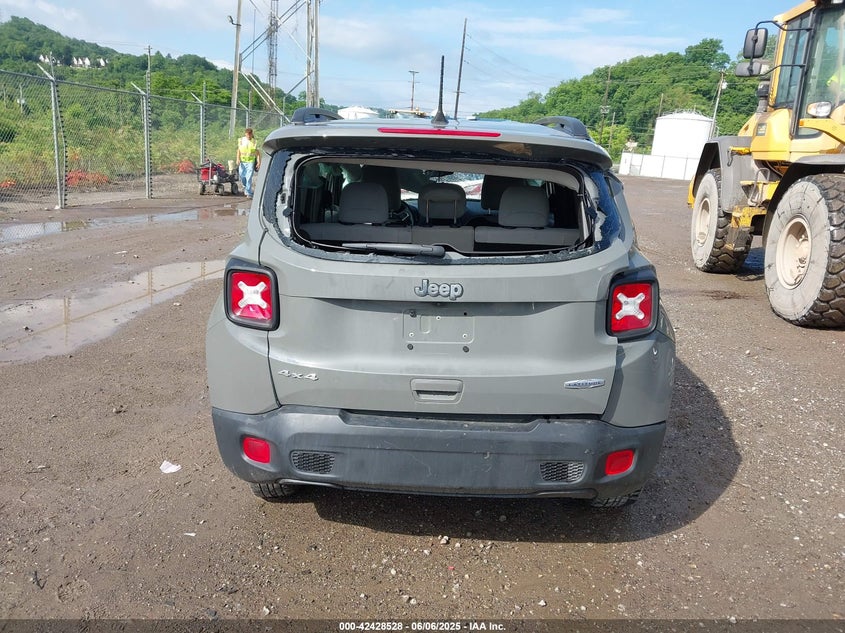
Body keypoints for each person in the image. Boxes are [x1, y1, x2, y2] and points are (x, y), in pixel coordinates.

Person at [236, 128, 261, 198]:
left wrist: (259, 162)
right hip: (242, 162)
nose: (249, 136)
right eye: (247, 135)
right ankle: (245, 187)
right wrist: (238, 159)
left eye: (250, 135)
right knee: (242, 176)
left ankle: (248, 193)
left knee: (249, 177)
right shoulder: (241, 140)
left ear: (252, 134)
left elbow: (258, 153)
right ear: (245, 134)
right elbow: (239, 151)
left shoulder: (254, 142)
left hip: (250, 162)